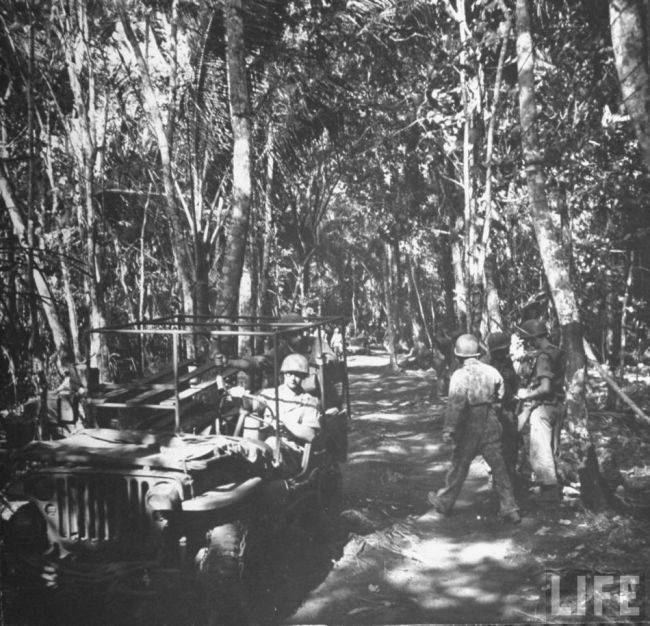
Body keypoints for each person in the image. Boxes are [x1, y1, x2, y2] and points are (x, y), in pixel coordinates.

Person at [427, 334, 520, 523]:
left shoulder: (459, 375)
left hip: (468, 423)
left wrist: (449, 429)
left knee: (459, 465)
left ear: (459, 356)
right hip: (490, 420)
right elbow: (501, 395)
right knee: (499, 466)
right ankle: (510, 507)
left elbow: (455, 404)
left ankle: (445, 501)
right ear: (478, 353)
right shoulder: (492, 371)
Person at [233, 353, 322, 474]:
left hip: (291, 450)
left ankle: (250, 464)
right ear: (284, 374)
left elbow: (310, 435)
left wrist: (285, 423)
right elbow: (251, 405)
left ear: (303, 377)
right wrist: (241, 395)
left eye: (298, 375)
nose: (293, 379)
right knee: (250, 423)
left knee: (266, 447)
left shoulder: (309, 401)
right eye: (289, 374)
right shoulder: (270, 394)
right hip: (264, 444)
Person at [227, 312, 336, 397]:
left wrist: (326, 361)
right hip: (290, 395)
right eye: (294, 334)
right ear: (285, 337)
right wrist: (228, 362)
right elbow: (257, 361)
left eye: (301, 332)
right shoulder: (281, 350)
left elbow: (332, 358)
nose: (300, 337)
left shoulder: (315, 343)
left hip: (316, 394)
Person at [514, 319, 564, 503]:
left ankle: (549, 495)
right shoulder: (557, 351)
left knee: (541, 449)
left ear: (534, 339)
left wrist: (526, 395)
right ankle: (551, 489)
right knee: (552, 447)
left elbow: (545, 387)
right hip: (558, 405)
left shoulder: (543, 356)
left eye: (529, 340)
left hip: (544, 407)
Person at [485, 332, 519, 482]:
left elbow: (514, 384)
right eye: (504, 349)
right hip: (496, 410)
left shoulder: (506, 362)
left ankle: (510, 475)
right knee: (498, 446)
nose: (507, 352)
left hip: (509, 408)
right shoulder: (488, 367)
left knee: (511, 445)